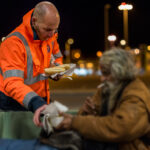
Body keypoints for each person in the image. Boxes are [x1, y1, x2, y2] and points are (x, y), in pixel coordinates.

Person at [56, 48, 150, 150]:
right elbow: (88, 118)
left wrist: (75, 122)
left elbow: (120, 128)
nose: (102, 78)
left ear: (120, 72)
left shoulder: (136, 94)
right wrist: (86, 112)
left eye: (106, 73)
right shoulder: (106, 89)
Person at [0, 1, 63, 127]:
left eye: (55, 29)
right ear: (34, 21)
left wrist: (57, 69)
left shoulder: (49, 35)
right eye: (48, 30)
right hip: (15, 103)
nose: (52, 34)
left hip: (40, 98)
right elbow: (12, 83)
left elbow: (57, 55)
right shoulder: (14, 43)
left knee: (52, 129)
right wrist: (36, 102)